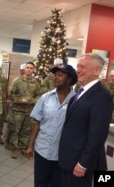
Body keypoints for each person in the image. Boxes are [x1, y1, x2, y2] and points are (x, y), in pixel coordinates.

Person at [58, 53, 113, 187]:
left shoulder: (102, 96)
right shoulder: (81, 91)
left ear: (96, 70)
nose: (78, 70)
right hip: (69, 158)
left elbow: (97, 135)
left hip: (79, 163)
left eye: (82, 66)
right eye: (77, 66)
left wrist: (83, 163)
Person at [25, 64, 78, 187]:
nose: (56, 77)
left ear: (69, 79)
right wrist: (30, 146)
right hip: (42, 150)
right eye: (55, 75)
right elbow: (37, 122)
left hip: (63, 154)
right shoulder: (45, 98)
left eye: (60, 75)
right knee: (40, 183)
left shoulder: (76, 100)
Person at [8, 62, 40, 158]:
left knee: (26, 130)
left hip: (29, 111)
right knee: (16, 129)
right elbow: (11, 94)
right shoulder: (17, 81)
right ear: (25, 69)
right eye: (27, 67)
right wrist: (20, 100)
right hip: (18, 109)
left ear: (33, 70)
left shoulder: (36, 83)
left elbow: (39, 95)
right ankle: (14, 148)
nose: (29, 69)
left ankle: (23, 147)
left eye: (31, 68)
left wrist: (33, 101)